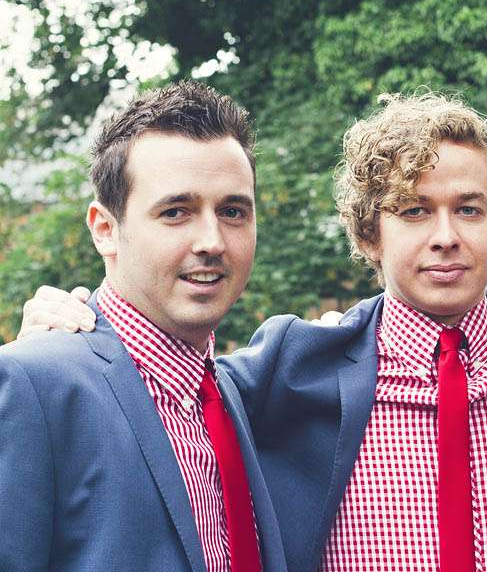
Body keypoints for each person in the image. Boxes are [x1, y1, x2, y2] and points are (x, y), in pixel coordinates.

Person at [17, 93, 487, 571]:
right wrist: (59, 333)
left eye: (468, 209)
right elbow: (141, 376)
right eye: (413, 210)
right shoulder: (297, 366)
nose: (446, 236)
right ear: (367, 234)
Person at [0, 81, 285, 571]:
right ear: (105, 230)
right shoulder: (33, 384)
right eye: (176, 212)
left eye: (233, 211)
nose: (212, 241)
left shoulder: (229, 394)